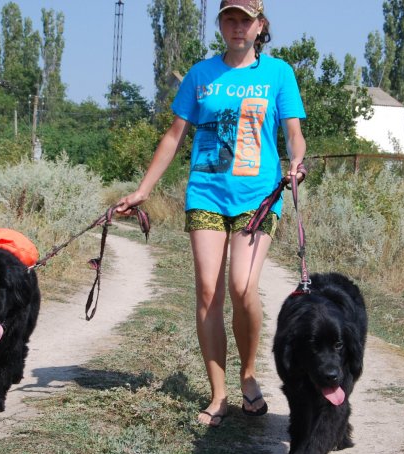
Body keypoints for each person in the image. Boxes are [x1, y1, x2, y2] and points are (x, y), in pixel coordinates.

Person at [115, 0, 306, 427]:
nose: (237, 27)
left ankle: (248, 374)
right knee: (207, 292)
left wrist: (296, 161)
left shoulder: (278, 74)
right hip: (206, 194)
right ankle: (218, 394)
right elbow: (174, 136)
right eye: (229, 19)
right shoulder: (201, 75)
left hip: (258, 197)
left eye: (246, 20)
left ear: (260, 25)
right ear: (220, 24)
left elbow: (294, 133)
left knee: (242, 286)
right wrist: (143, 190)